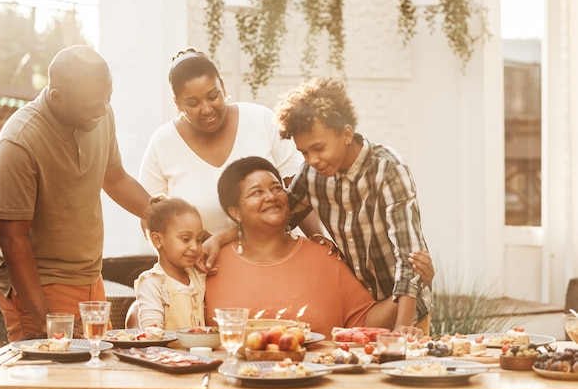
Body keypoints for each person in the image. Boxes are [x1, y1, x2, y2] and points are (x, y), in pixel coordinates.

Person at [0, 45, 151, 342]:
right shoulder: (19, 141)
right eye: (93, 105)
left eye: (108, 99)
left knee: (97, 377)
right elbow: (13, 240)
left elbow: (114, 177)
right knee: (50, 384)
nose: (102, 111)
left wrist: (159, 214)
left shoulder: (100, 112)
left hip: (90, 278)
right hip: (41, 287)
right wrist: (47, 319)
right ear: (57, 98)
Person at [274, 77, 433, 334]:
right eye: (303, 152)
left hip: (405, 310)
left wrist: (402, 328)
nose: (312, 160)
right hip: (358, 315)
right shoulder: (311, 175)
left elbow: (409, 255)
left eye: (319, 148)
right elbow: (277, 221)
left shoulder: (388, 168)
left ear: (346, 134)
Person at [204, 156, 430, 336]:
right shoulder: (211, 263)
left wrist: (414, 280)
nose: (271, 196)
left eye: (276, 188)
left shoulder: (325, 258)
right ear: (235, 212)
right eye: (257, 192)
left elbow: (366, 321)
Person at [138, 48, 320, 262]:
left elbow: (299, 193)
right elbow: (150, 218)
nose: (206, 109)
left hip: (278, 260)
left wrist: (318, 240)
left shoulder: (260, 120)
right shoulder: (163, 143)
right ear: (177, 104)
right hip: (205, 271)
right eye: (193, 103)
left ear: (223, 87)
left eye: (213, 96)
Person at [134, 194, 207, 330]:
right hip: (165, 351)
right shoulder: (153, 283)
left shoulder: (197, 276)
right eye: (185, 239)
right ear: (157, 240)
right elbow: (151, 335)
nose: (195, 247)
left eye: (199, 239)